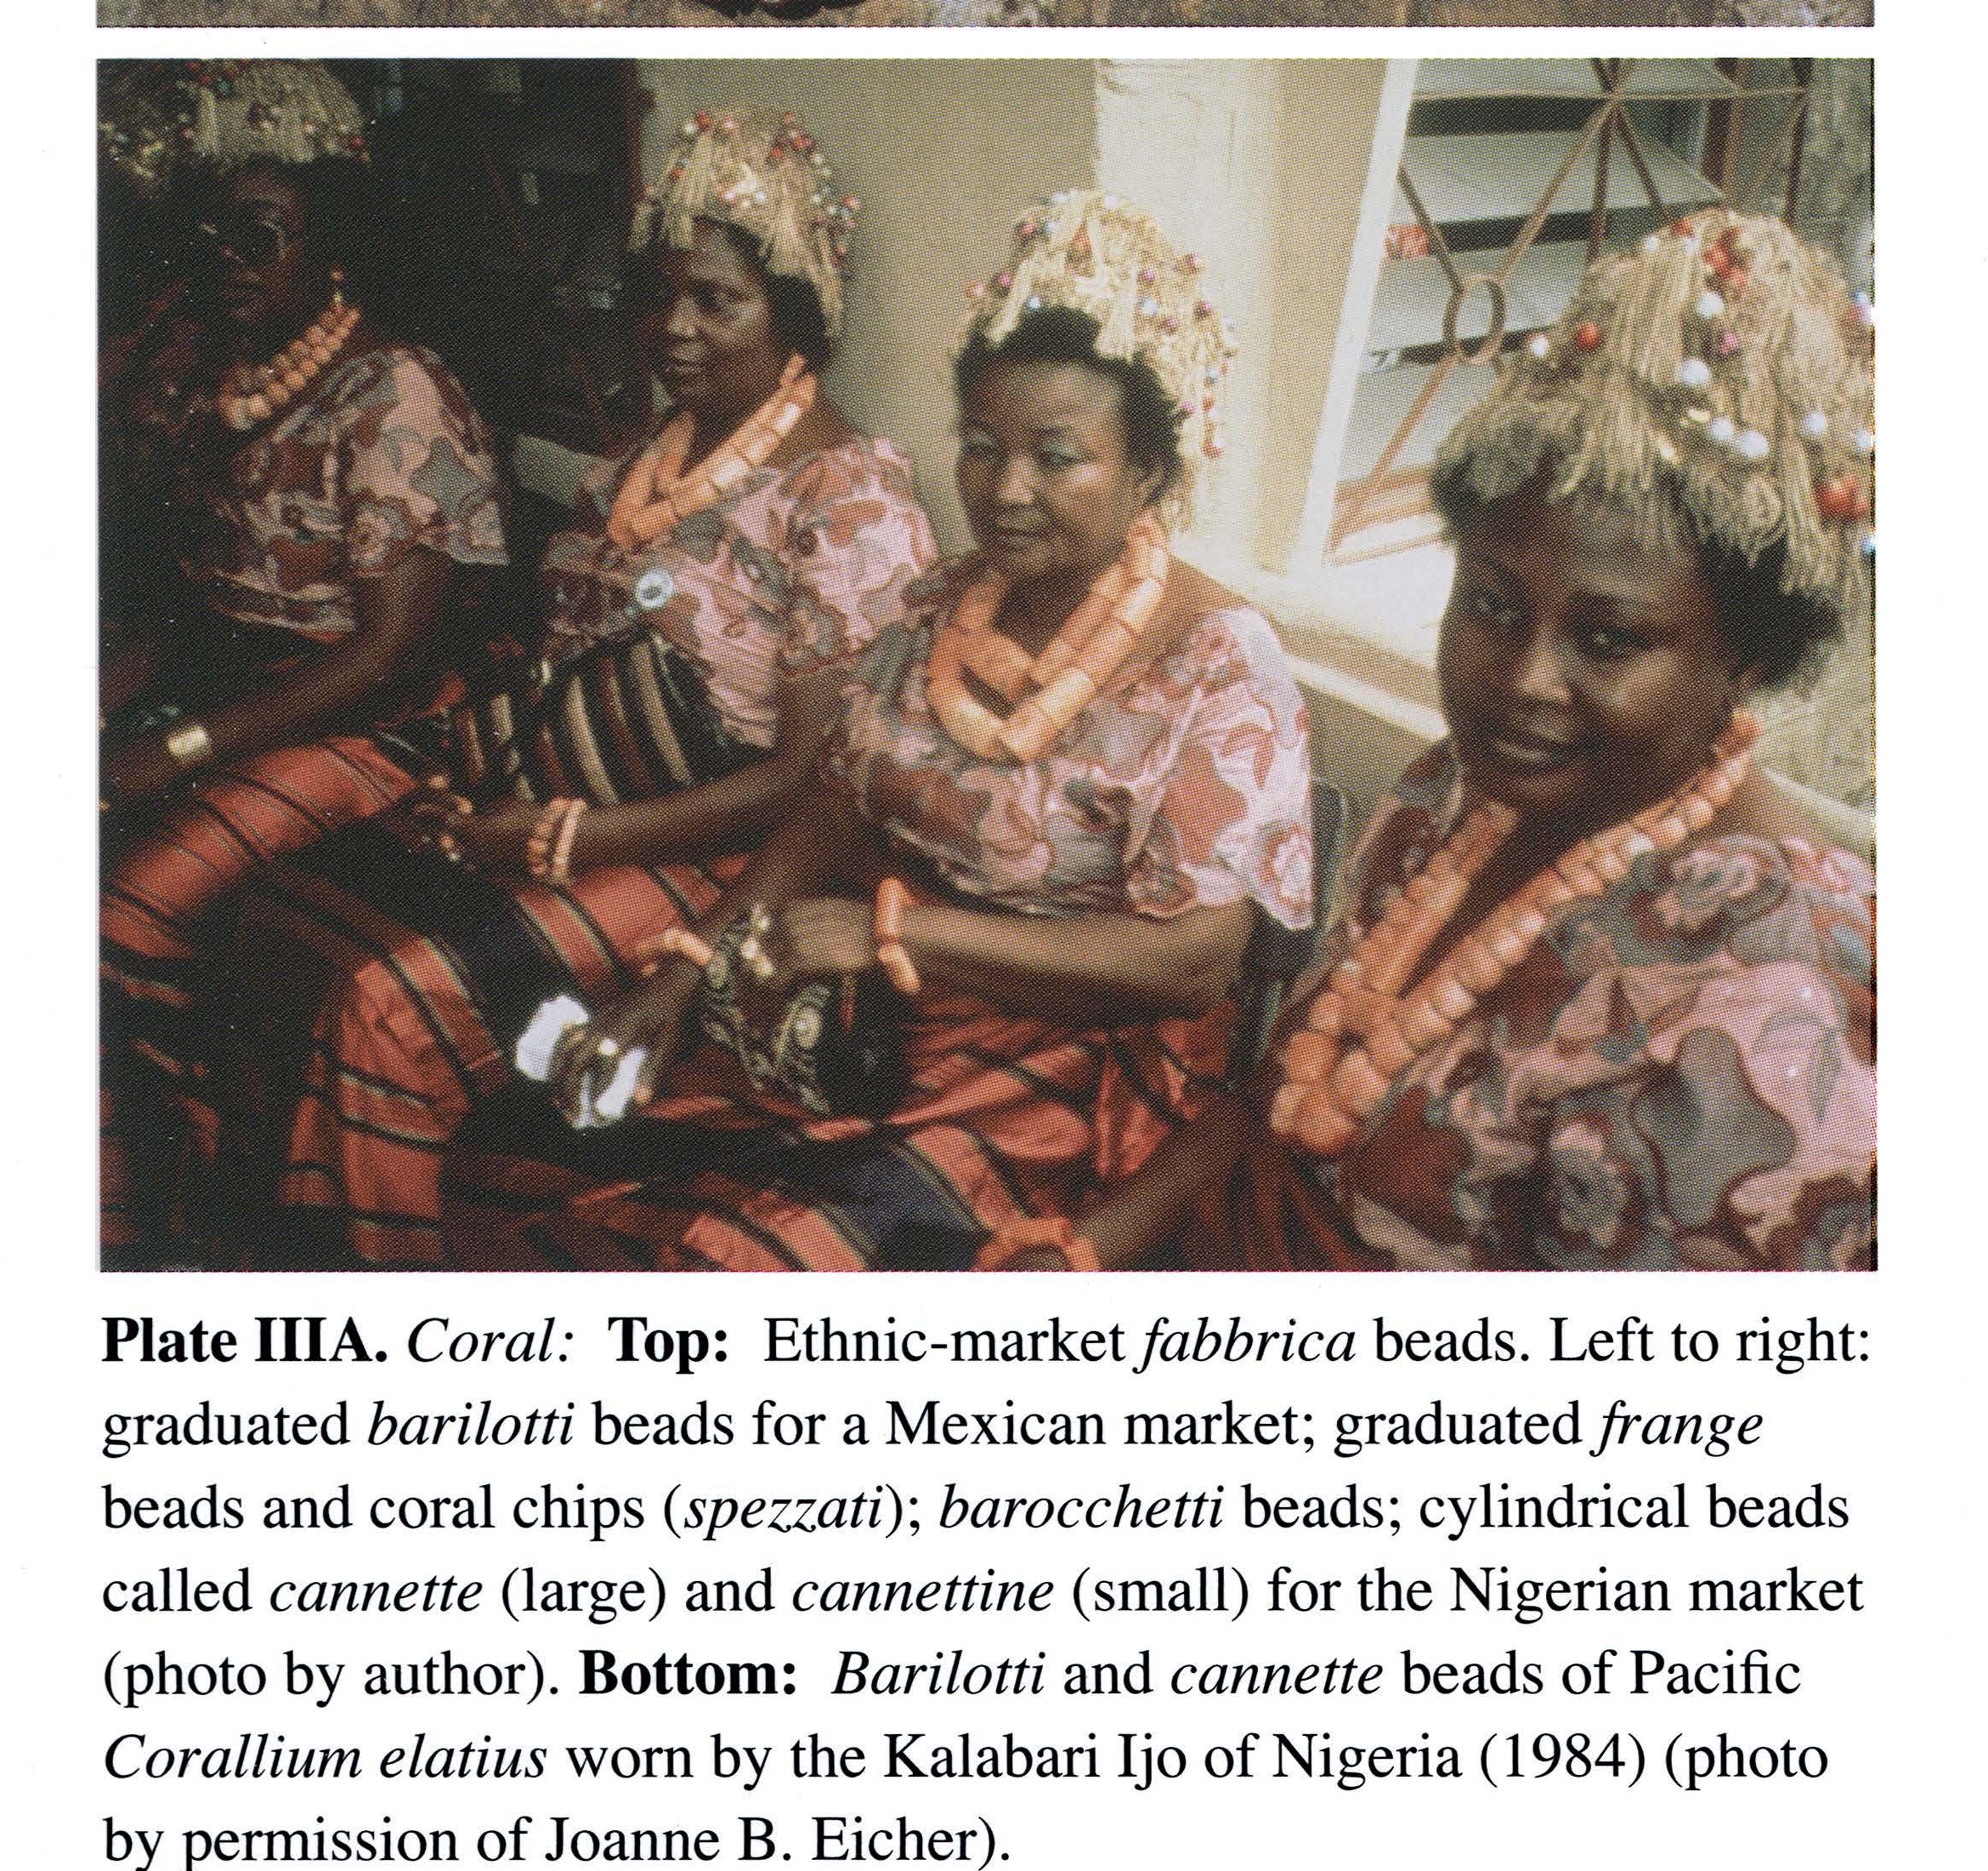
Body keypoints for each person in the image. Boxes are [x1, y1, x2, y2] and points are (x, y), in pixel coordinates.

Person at [451, 190, 1315, 1271]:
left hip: (1059, 1058)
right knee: (521, 1147)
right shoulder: (940, 602)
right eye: (982, 446)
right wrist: (675, 978)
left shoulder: (1221, 661)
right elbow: (827, 808)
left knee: (734, 1258)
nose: (1004, 489)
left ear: (1148, 471)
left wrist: (897, 933)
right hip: (860, 1007)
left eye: (1056, 456)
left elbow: (1191, 961)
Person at [1005, 210, 1876, 1275]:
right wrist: (1085, 1251)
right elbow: (1279, 1099)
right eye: (1492, 605)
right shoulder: (1451, 792)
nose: (1522, 681)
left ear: (1744, 654)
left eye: (1606, 639)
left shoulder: (1779, 994)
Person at [270, 107, 937, 1265]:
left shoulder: (849, 501)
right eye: (658, 294)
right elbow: (559, 666)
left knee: (381, 999)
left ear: (796, 313)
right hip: (576, 812)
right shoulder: (643, 458)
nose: (673, 328)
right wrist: (499, 792)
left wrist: (569, 841)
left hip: (726, 853)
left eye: (715, 301)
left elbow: (808, 781)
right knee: (295, 911)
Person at [99, 61, 509, 1258]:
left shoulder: (398, 393)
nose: (227, 258)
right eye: (213, 233)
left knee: (124, 909)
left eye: (261, 235)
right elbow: (189, 596)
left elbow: (388, 655)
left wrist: (169, 747)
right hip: (244, 698)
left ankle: (196, 1202)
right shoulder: (218, 379)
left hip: (374, 728)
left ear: (329, 247)